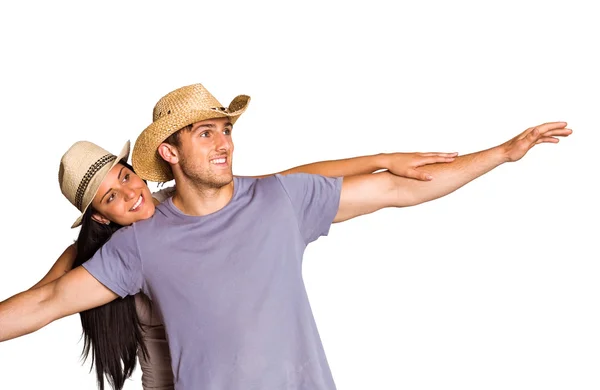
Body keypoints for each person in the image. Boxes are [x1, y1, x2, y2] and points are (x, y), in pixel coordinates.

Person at [0, 83, 572, 390]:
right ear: (170, 153)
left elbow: (400, 189)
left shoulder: (280, 200)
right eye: (207, 133)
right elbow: (48, 299)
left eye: (226, 130)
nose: (224, 143)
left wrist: (501, 153)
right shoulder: (137, 243)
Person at [33, 140, 456, 390]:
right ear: (100, 218)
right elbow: (44, 298)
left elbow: (287, 180)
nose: (129, 194)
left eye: (125, 176)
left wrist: (381, 159)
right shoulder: (103, 255)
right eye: (110, 197)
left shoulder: (183, 205)